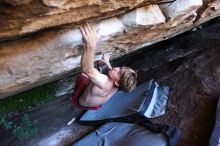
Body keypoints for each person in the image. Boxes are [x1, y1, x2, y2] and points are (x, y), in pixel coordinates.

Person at [72, 23, 137, 110]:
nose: (116, 68)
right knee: (96, 75)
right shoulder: (120, 85)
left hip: (80, 101)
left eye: (119, 72)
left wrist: (91, 45)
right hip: (94, 103)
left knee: (84, 75)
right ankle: (97, 71)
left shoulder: (103, 81)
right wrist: (107, 62)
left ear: (117, 82)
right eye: (120, 68)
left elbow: (87, 69)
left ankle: (95, 68)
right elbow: (114, 76)